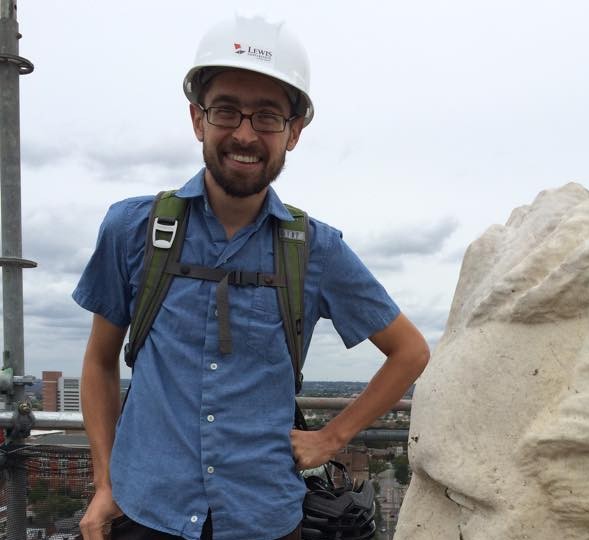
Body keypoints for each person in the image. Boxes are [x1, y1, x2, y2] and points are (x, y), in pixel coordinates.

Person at [73, 14, 429, 540]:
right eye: (227, 111)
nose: (245, 133)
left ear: (293, 132)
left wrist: (333, 438)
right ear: (198, 119)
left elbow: (411, 351)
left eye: (267, 117)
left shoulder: (315, 250)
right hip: (147, 511)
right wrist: (105, 483)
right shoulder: (134, 229)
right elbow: (101, 361)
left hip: (263, 519)